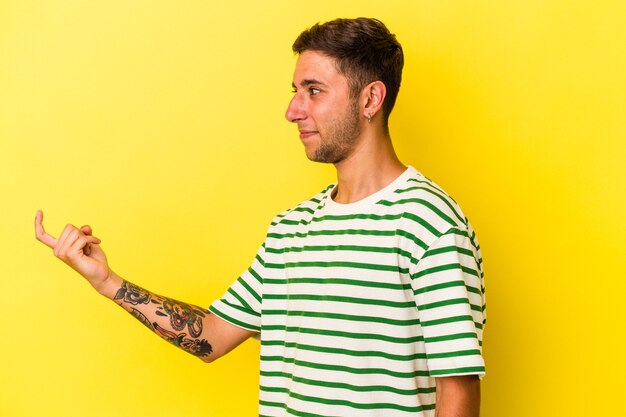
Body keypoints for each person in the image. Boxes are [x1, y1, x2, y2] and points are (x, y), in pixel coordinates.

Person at [35, 17, 485, 417]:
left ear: (370, 99)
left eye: (314, 90)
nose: (293, 111)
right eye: (295, 92)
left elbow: (458, 392)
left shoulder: (429, 223)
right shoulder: (291, 229)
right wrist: (106, 280)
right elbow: (209, 338)